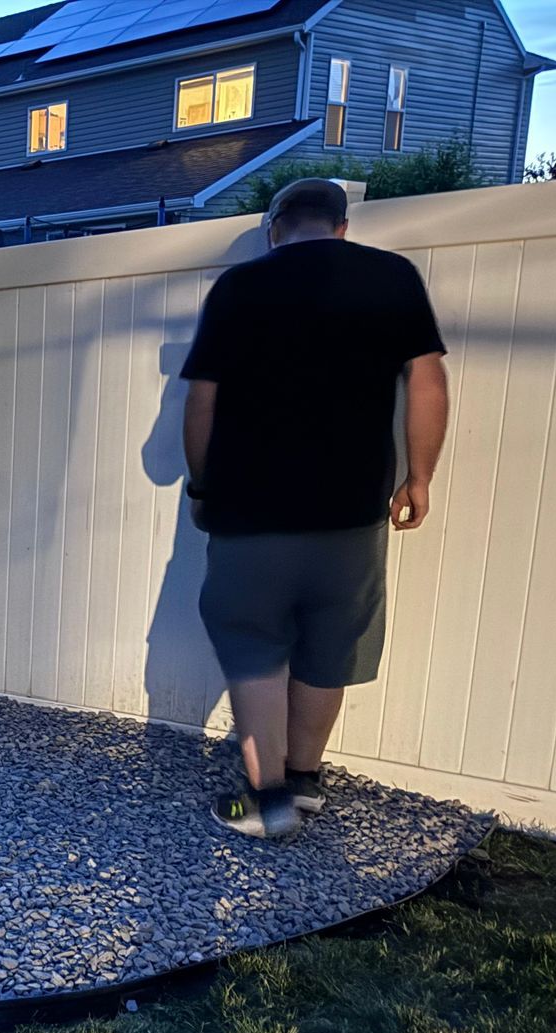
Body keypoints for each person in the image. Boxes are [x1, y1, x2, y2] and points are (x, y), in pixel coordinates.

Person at [182, 177, 450, 838]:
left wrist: (202, 484)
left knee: (254, 652)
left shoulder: (238, 289)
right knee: (328, 648)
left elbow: (202, 402)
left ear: (276, 227)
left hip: (250, 512)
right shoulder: (391, 278)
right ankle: (304, 782)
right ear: (341, 226)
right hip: (352, 512)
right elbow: (428, 380)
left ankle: (269, 803)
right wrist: (419, 478)